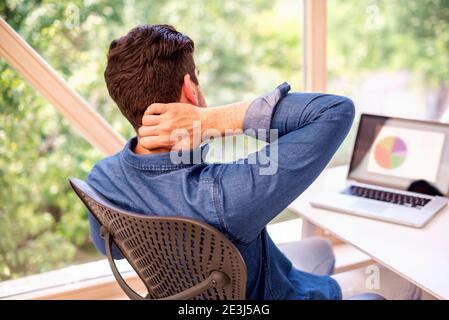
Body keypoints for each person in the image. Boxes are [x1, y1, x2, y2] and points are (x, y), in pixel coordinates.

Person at [87, 24, 420, 300]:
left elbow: (110, 248)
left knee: (319, 248)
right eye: (198, 78)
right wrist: (209, 120)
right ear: (190, 90)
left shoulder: (103, 179)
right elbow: (335, 111)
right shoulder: (224, 196)